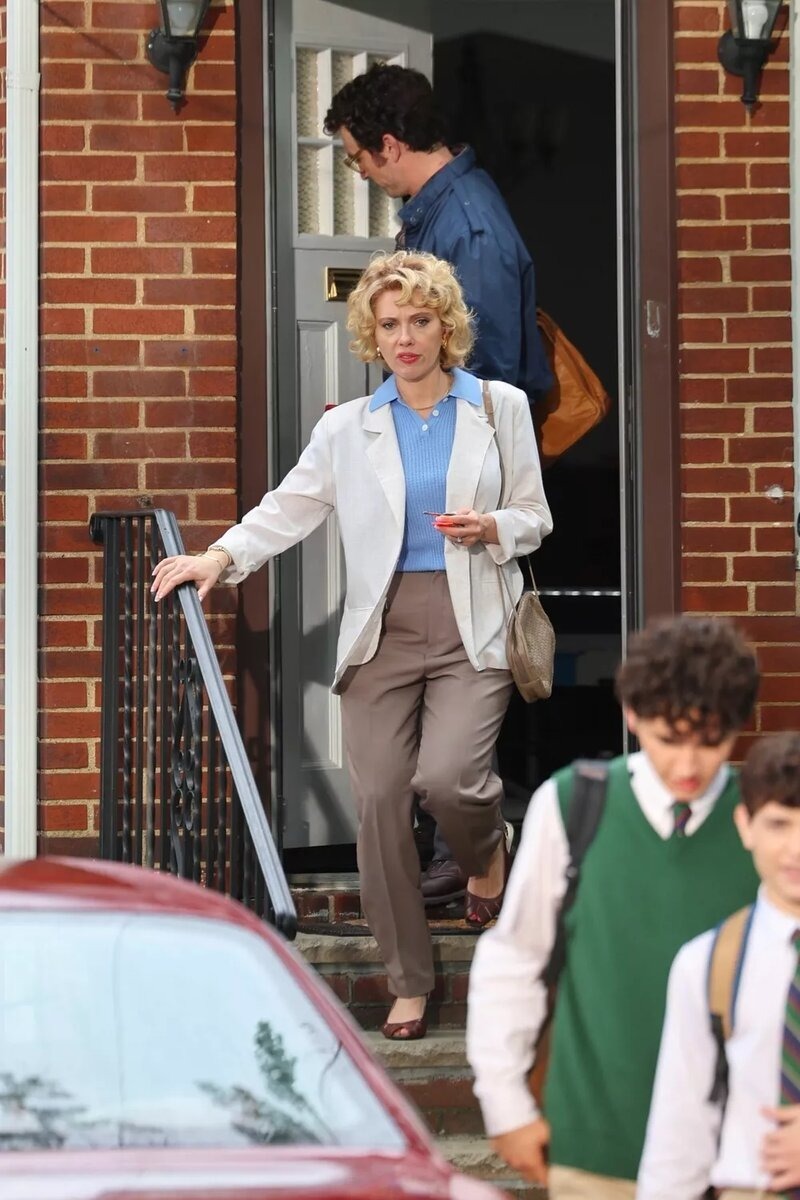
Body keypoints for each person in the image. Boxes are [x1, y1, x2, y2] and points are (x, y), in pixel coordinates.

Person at [152, 250, 552, 1042]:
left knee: (451, 779)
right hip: (381, 630)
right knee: (377, 803)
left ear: (446, 326)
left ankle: (485, 853)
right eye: (390, 323)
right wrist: (221, 557)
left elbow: (535, 516)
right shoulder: (348, 427)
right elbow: (290, 505)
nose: (405, 338)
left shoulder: (498, 406)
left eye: (421, 320)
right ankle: (408, 979)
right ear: (372, 333)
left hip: (473, 620)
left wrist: (492, 527)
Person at [324, 61, 553, 904]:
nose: (360, 173)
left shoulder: (470, 227)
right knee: (404, 746)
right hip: (419, 553)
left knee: (455, 740)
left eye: (356, 158)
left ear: (388, 145)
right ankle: (453, 852)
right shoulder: (439, 214)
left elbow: (485, 382)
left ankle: (470, 850)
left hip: (471, 527)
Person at [466, 615, 761, 1199]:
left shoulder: (767, 823)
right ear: (632, 714)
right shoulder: (573, 804)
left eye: (710, 742)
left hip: (740, 1161)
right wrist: (505, 1104)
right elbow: (515, 961)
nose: (687, 766)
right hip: (594, 1147)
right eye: (668, 738)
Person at [637, 731, 800, 1200]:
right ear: (745, 826)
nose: (795, 848)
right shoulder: (708, 963)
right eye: (778, 824)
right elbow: (680, 1127)